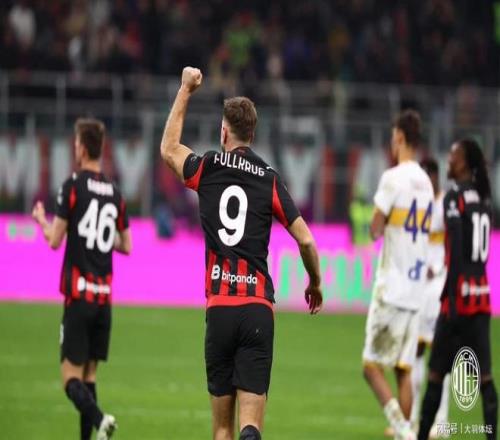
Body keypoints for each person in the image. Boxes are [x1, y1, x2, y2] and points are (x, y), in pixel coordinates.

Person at [160, 66, 323, 440]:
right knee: (251, 427)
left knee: (222, 429)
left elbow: (168, 148)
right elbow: (307, 241)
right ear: (253, 134)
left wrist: (185, 89)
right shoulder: (268, 179)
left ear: (223, 132)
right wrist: (314, 282)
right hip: (256, 310)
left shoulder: (207, 168)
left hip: (219, 307)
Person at [32, 118, 132, 440]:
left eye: (76, 143)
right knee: (89, 377)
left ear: (83, 148)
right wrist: (100, 238)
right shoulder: (115, 193)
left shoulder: (72, 187)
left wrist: (41, 220)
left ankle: (101, 420)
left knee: (70, 379)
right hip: (104, 300)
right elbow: (126, 245)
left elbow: (54, 240)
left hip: (78, 297)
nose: (74, 149)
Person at [418, 139, 498, 440]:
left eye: (453, 156)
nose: (448, 161)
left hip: (458, 302)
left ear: (464, 162)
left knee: (436, 376)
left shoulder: (454, 198)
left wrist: (450, 301)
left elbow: (457, 255)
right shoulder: (484, 199)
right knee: (485, 378)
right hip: (482, 298)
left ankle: (423, 434)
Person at [362, 109, 433, 440]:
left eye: (393, 138)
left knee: (371, 366)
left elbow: (375, 229)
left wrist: (380, 223)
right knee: (404, 370)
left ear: (401, 138)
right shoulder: (427, 183)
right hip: (416, 291)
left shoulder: (393, 178)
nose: (392, 144)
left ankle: (404, 430)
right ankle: (408, 429)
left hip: (392, 287)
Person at [408, 158, 449, 437]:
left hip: (438, 285)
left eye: (428, 177)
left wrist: (440, 266)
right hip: (418, 286)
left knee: (439, 354)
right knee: (416, 351)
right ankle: (412, 417)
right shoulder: (417, 204)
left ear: (435, 177)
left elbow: (453, 243)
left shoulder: (445, 204)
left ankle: (441, 421)